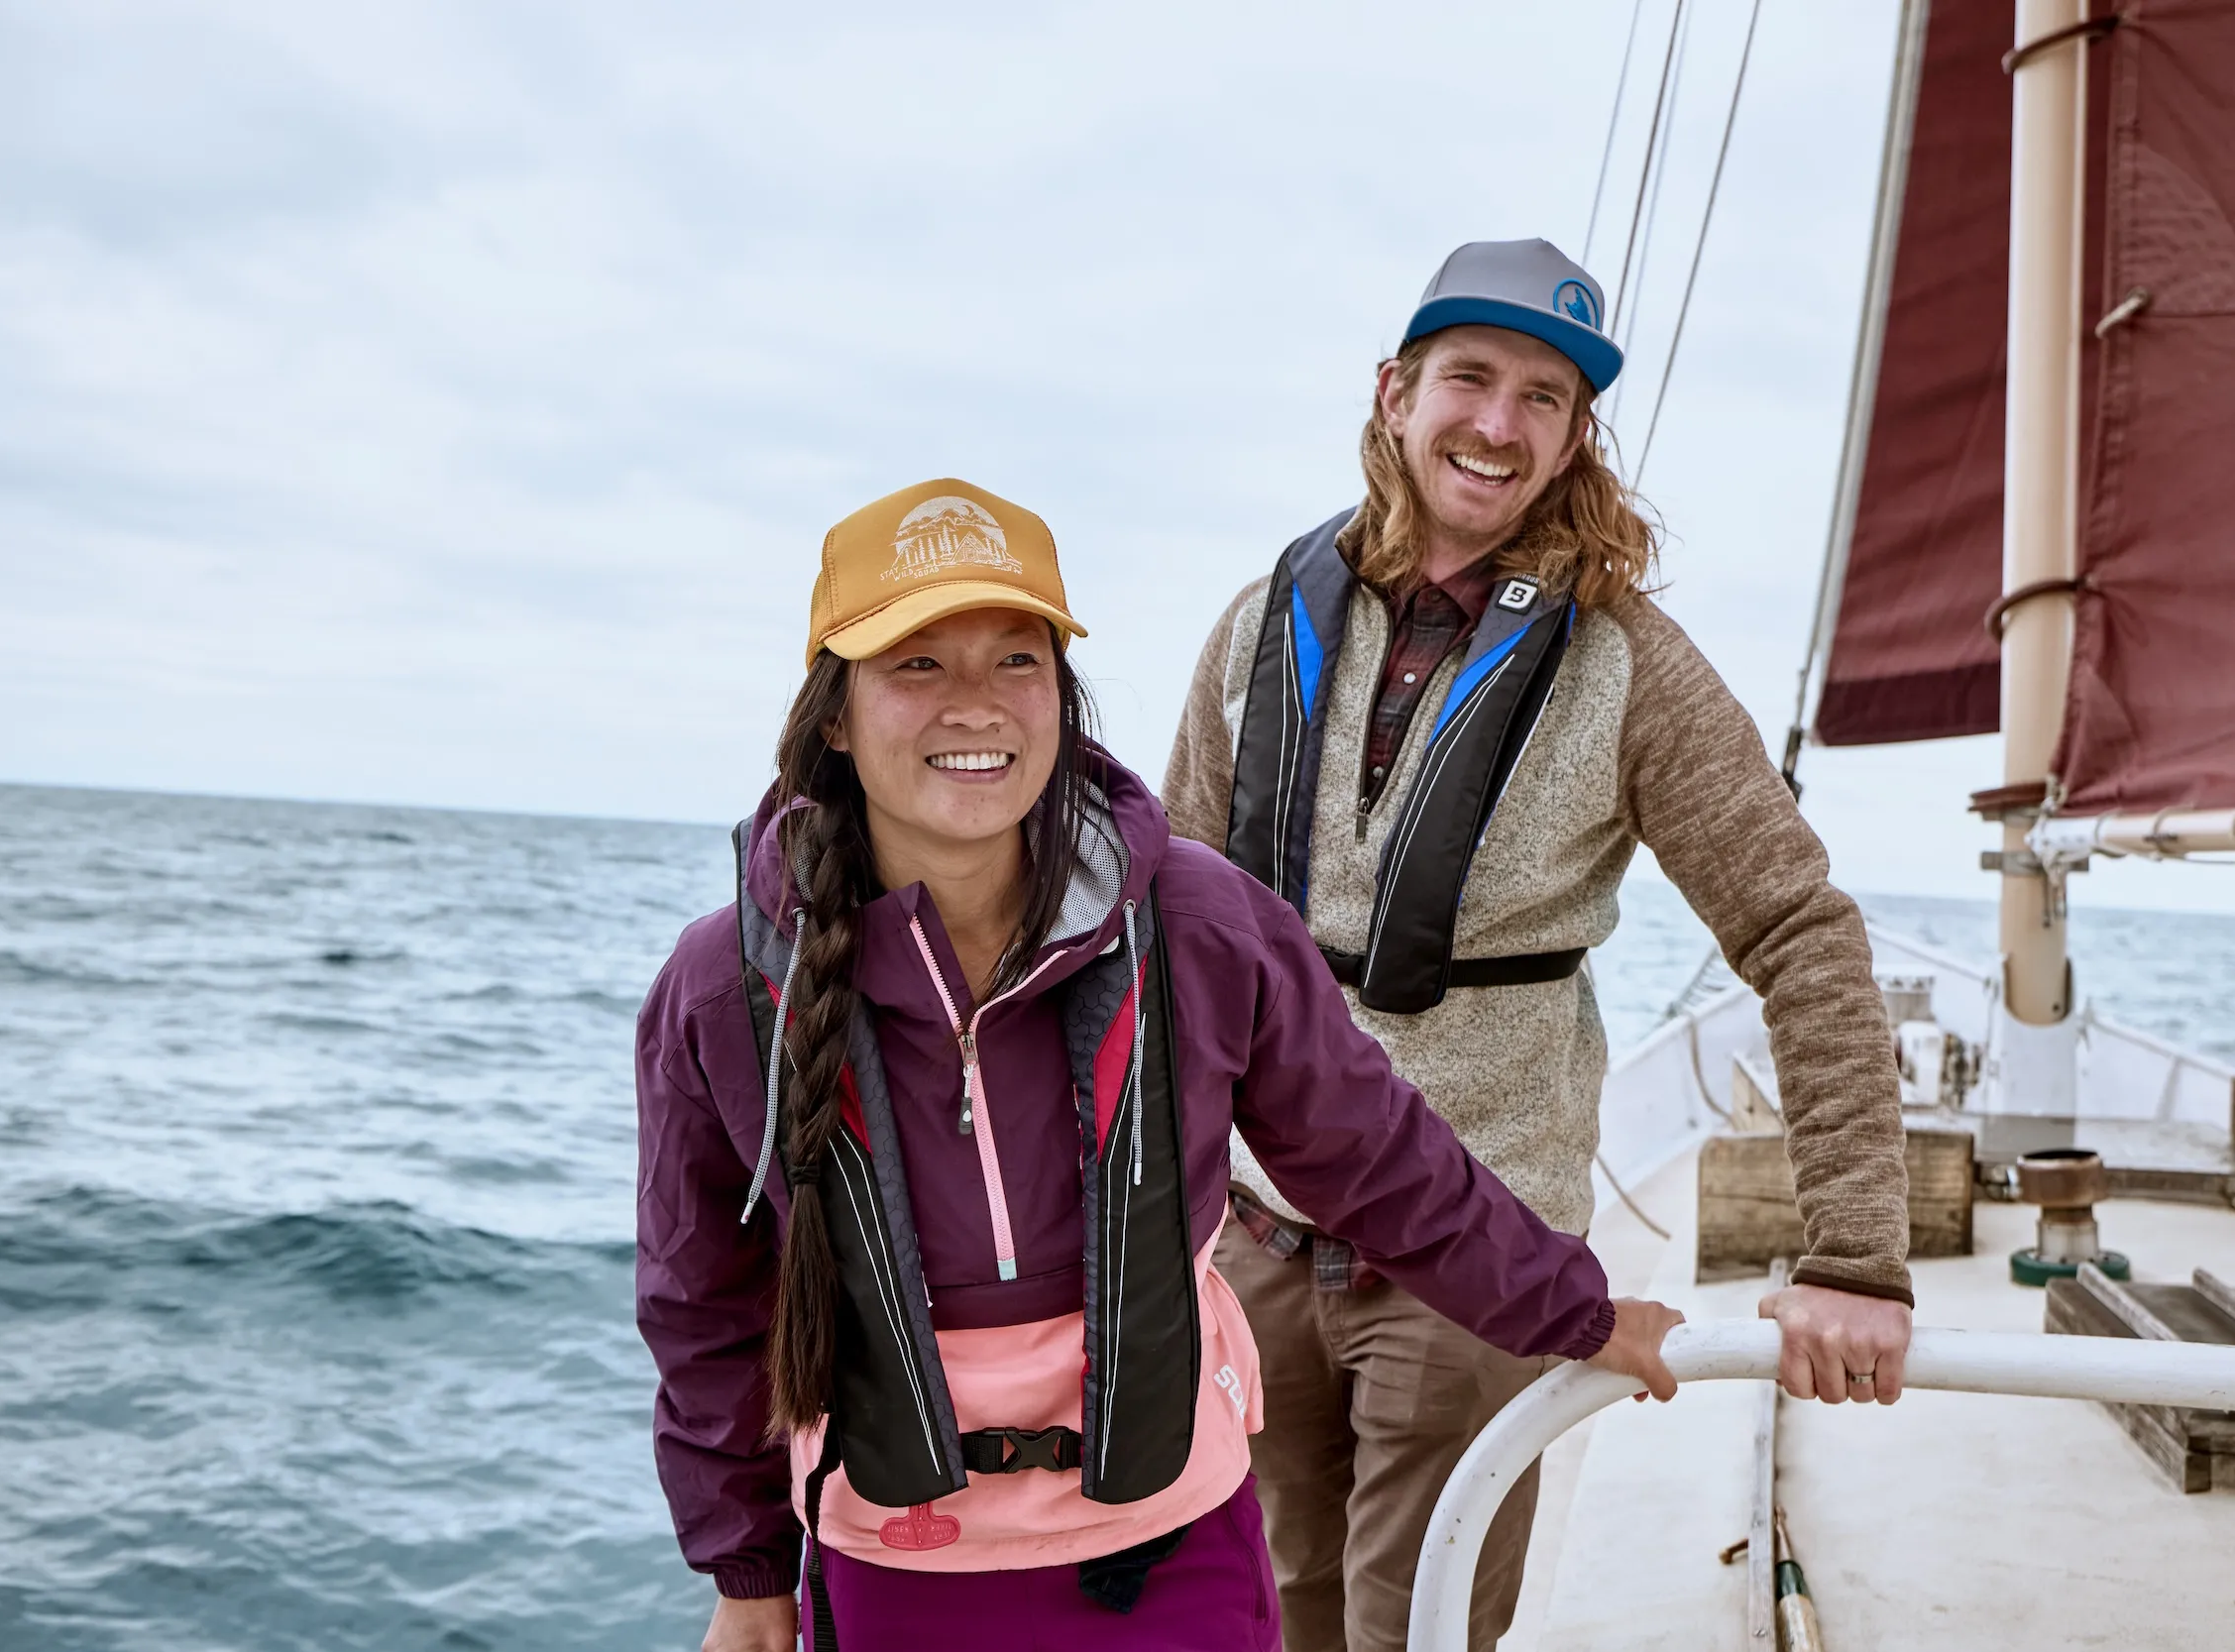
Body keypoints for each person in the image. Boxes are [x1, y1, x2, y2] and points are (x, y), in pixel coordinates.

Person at [633, 477, 1684, 1652]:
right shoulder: (725, 986)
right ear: (833, 711)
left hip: (1167, 1547)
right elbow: (701, 1300)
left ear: (1062, 695)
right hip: (893, 1559)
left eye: (1015, 661)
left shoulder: (1200, 921)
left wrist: (1577, 1310)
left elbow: (1378, 1159)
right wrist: (744, 1570)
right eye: (915, 664)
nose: (974, 705)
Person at [1161, 240, 1917, 1652]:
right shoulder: (1260, 624)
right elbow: (1159, 939)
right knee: (1253, 1621)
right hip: (1246, 1245)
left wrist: (1857, 1254)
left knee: (1421, 1629)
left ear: (1577, 437)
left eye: (1545, 396)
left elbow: (1801, 931)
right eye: (1470, 377)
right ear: (1395, 392)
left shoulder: (1632, 668)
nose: (1498, 425)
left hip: (1474, 1261)